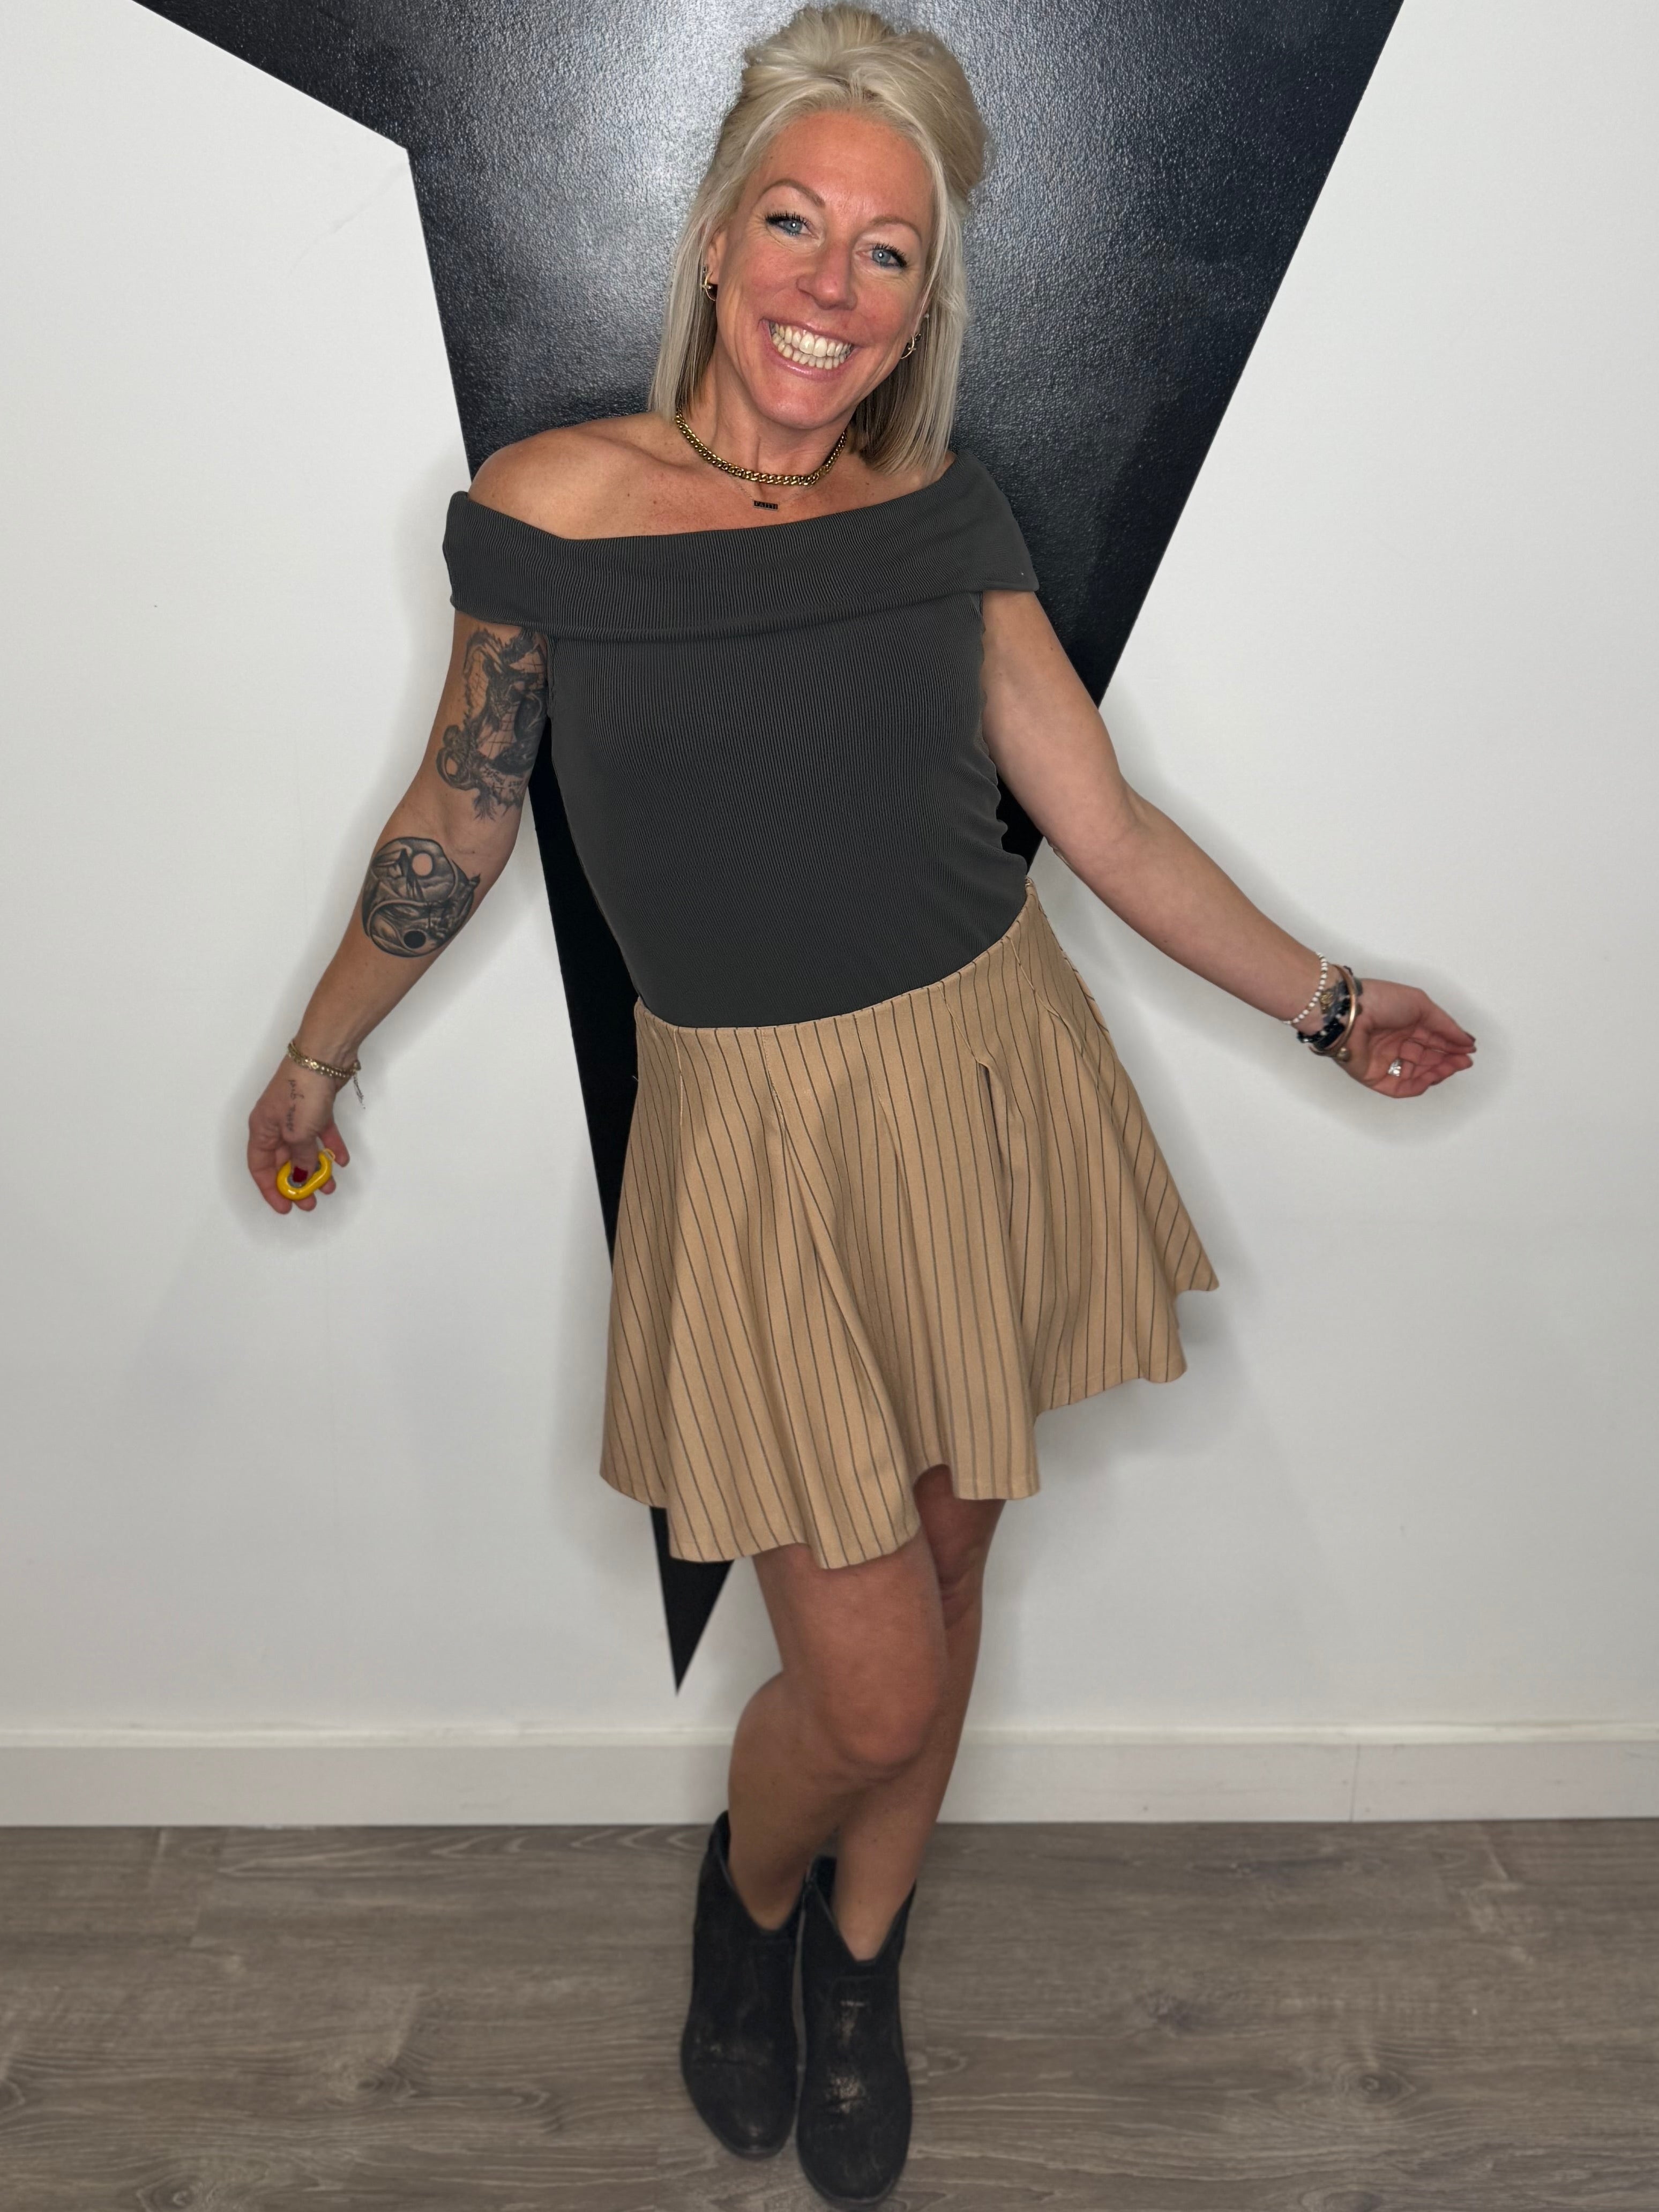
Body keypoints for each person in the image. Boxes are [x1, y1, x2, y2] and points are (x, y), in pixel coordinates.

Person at [245, 4, 1476, 2201]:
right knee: (877, 1682)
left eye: (887, 252)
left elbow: (1101, 827)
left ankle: (862, 1957)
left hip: (988, 1083)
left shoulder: (948, 519)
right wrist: (320, 1047)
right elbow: (460, 813)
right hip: (757, 1144)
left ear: (929, 294)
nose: (831, 289)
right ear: (721, 242)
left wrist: (1333, 1002)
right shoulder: (549, 515)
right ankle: (748, 1903)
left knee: (952, 1558)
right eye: (796, 227)